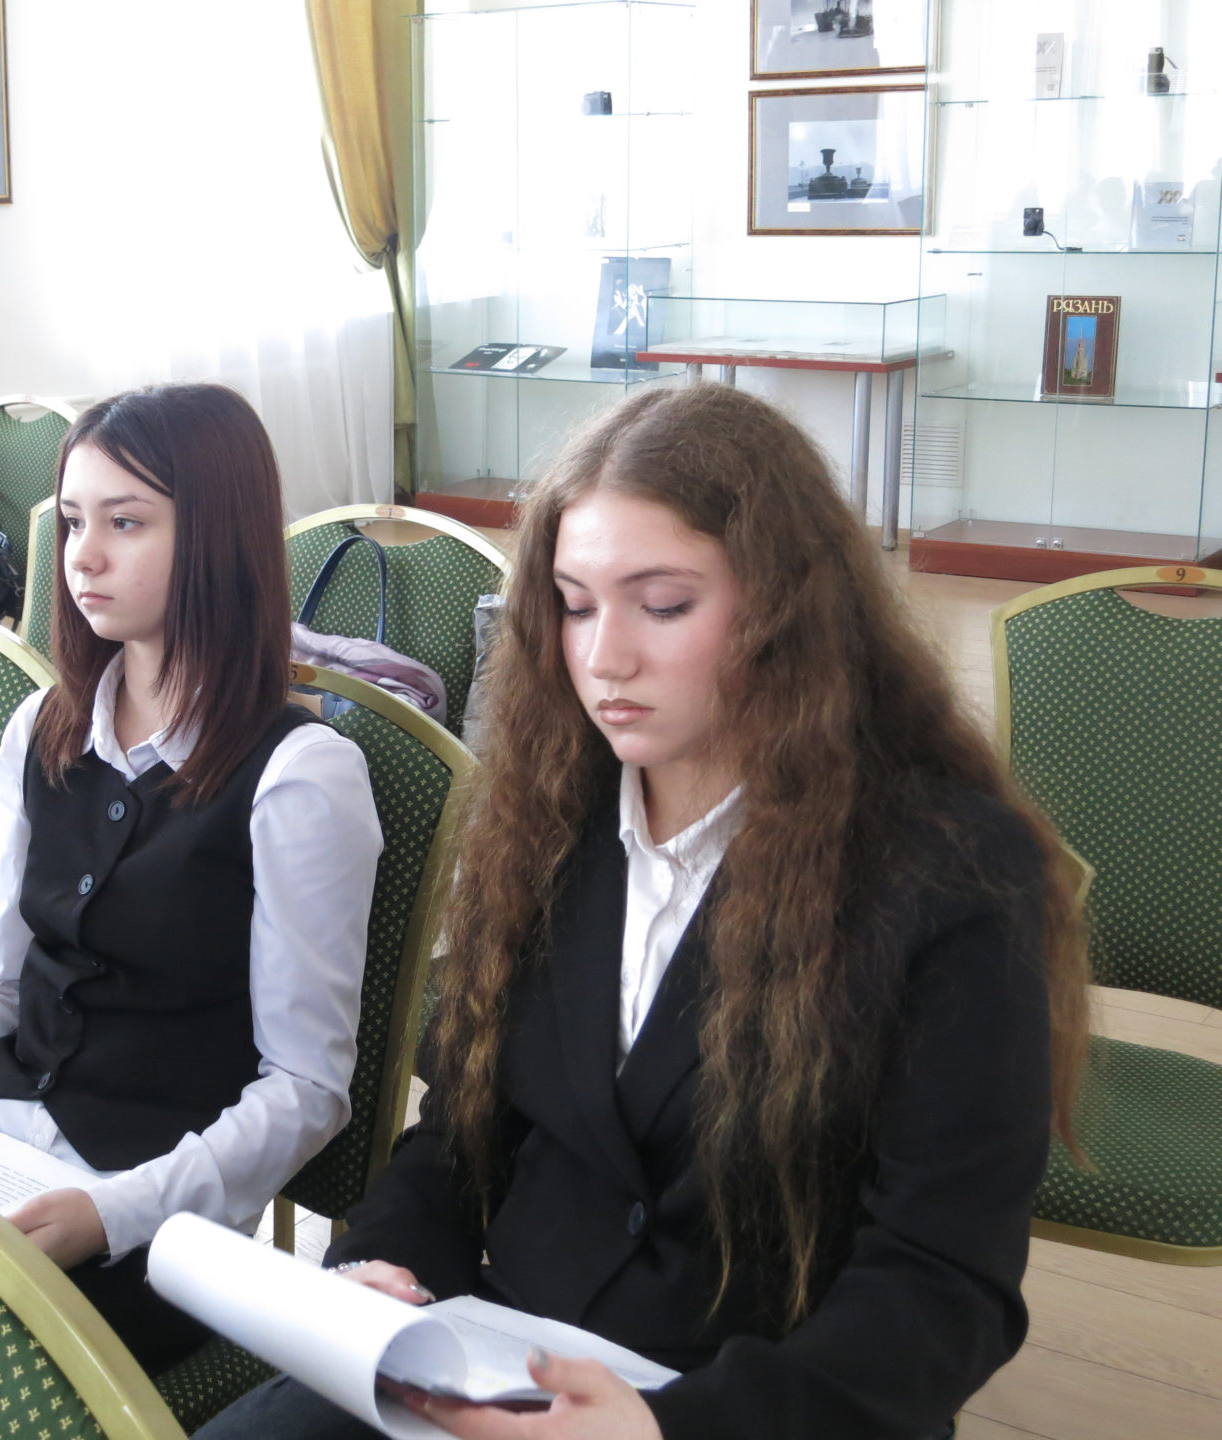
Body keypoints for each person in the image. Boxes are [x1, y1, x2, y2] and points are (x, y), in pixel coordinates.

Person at [197, 384, 1090, 1440]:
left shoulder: (949, 874)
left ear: (788, 611)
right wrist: (378, 1271)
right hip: (499, 1361)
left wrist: (671, 1429)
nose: (603, 657)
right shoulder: (542, 823)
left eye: (662, 606)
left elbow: (941, 1287)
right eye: (575, 605)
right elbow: (456, 1142)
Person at [0, 383, 382, 1372]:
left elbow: (306, 1089)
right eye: (73, 521)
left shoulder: (300, 775)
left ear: (218, 536)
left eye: (127, 522)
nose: (84, 556)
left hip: (154, 1199)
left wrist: (113, 1214)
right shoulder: (42, 726)